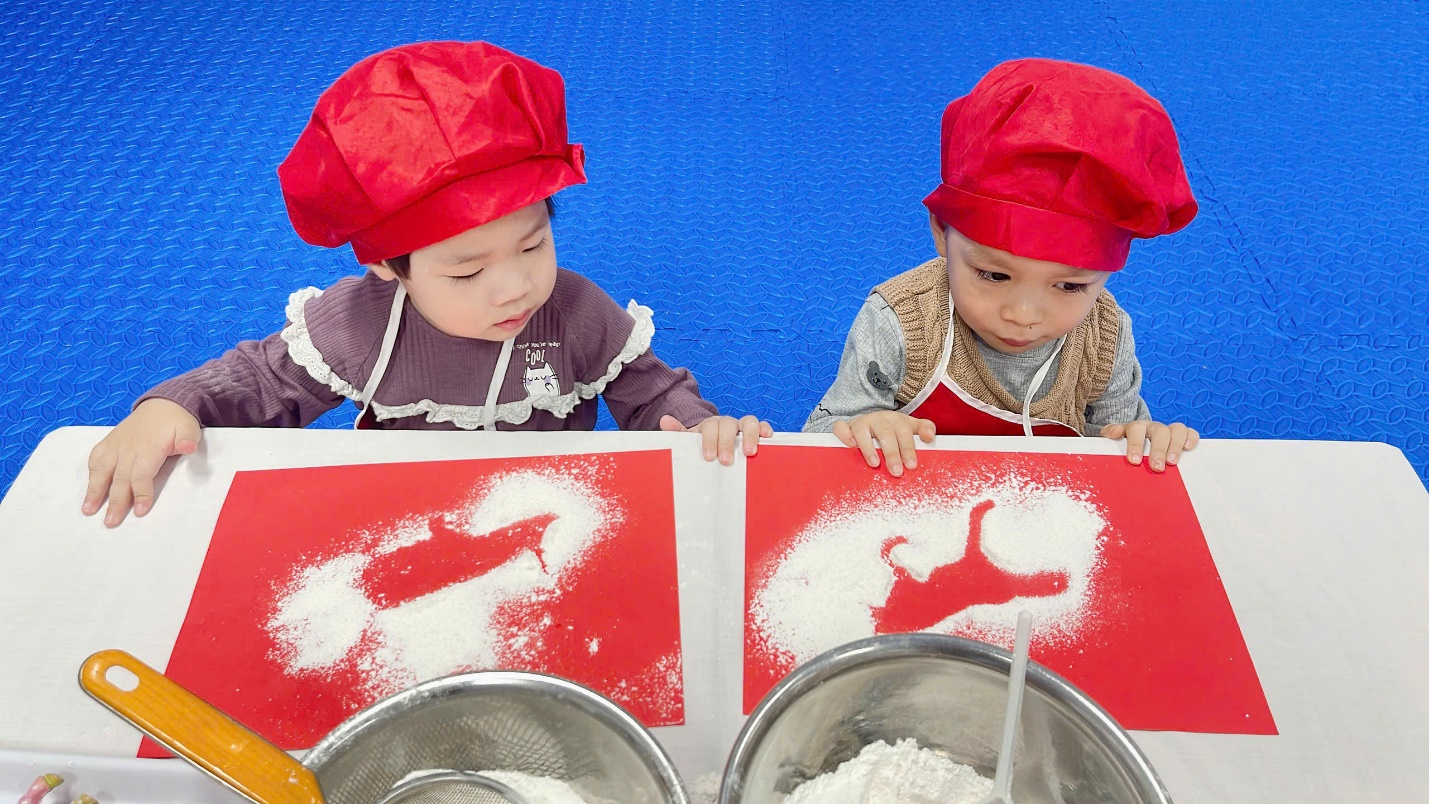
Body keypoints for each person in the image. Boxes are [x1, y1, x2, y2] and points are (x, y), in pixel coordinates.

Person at [82, 41, 769, 527]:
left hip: (556, 506)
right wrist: (167, 408)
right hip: (408, 506)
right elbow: (257, 383)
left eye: (533, 244)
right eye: (466, 270)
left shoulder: (576, 313)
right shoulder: (358, 328)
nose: (514, 288)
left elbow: (654, 396)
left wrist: (696, 430)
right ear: (387, 266)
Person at [804, 58, 1200, 477]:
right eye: (994, 275)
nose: (1022, 315)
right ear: (942, 231)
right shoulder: (900, 322)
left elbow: (1116, 445)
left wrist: (1144, 440)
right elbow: (816, 441)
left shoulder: (1104, 339)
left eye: (1069, 287)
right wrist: (862, 428)